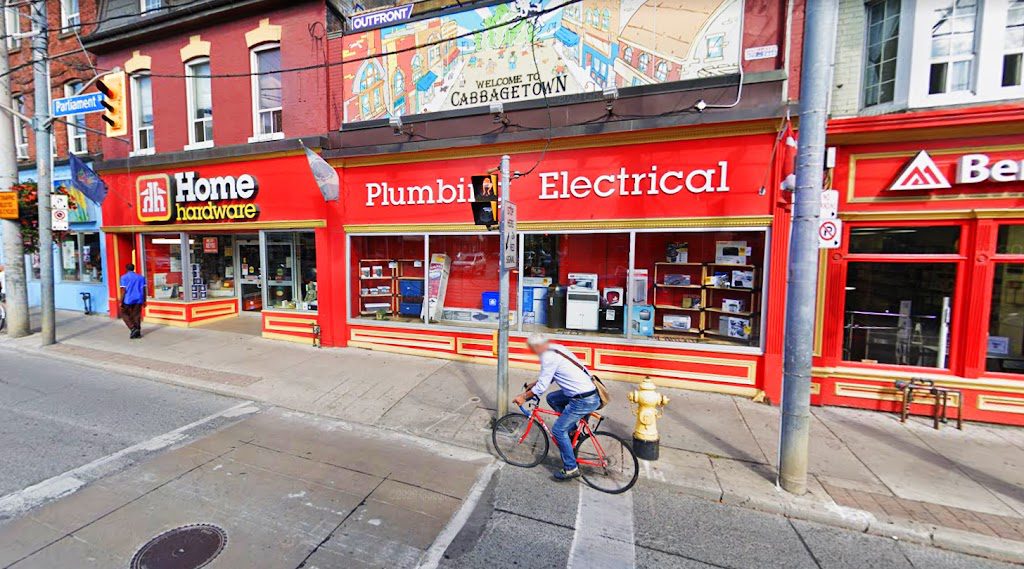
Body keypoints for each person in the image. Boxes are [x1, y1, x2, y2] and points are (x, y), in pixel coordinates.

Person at [513, 334, 600, 481]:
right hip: (587, 391)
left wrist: (523, 396)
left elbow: (542, 387)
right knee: (552, 398)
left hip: (583, 399)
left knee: (558, 430)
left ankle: (571, 468)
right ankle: (572, 430)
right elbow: (551, 376)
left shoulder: (547, 357)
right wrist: (533, 384)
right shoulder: (556, 348)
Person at [119, 263, 146, 339]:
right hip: (139, 299)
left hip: (128, 299)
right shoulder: (141, 278)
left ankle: (133, 328)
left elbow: (124, 290)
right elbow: (144, 290)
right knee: (136, 315)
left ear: (126, 269)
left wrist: (121, 301)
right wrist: (144, 300)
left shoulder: (124, 277)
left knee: (124, 313)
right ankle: (138, 332)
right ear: (134, 268)